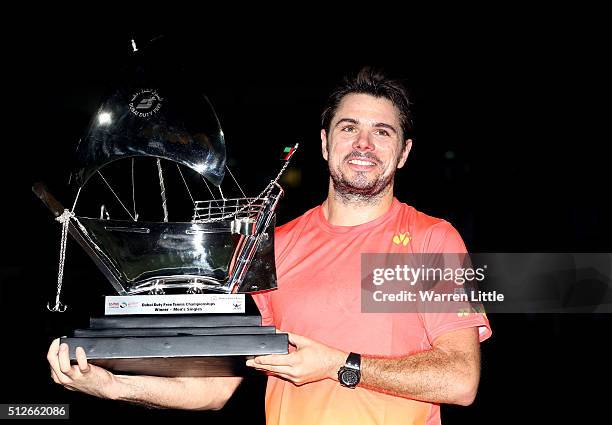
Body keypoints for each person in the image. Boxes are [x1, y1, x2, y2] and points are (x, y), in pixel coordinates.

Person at [47, 67, 491, 424]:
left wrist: (341, 364)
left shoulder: (432, 239)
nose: (363, 144)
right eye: (349, 127)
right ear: (324, 142)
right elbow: (214, 388)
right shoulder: (272, 246)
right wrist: (113, 386)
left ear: (404, 153)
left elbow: (460, 379)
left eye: (383, 132)